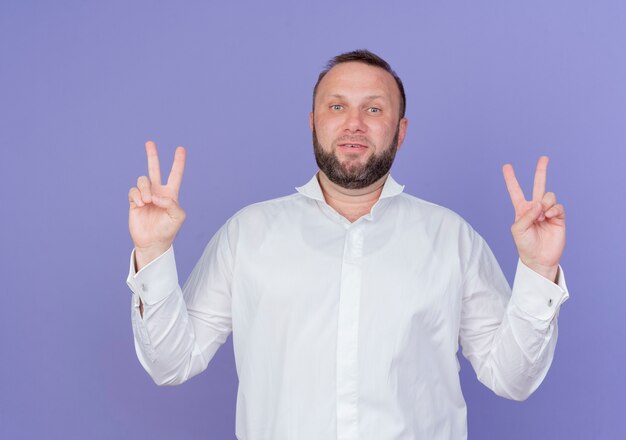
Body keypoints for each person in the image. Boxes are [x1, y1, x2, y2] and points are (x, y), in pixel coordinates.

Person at [126, 50, 568, 440]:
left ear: (401, 130)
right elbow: (171, 364)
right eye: (336, 106)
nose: (353, 123)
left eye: (374, 109)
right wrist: (152, 254)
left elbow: (512, 379)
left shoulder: (451, 239)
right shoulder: (248, 234)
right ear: (313, 122)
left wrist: (536, 271)